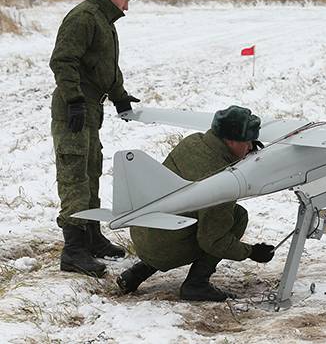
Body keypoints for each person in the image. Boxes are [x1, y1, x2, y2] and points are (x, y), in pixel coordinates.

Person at [116, 105, 275, 302]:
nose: (251, 146)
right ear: (231, 140)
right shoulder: (221, 178)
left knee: (183, 212)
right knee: (238, 216)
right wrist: (250, 252)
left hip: (143, 232)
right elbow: (213, 241)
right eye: (247, 141)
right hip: (164, 247)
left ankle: (136, 273)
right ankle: (196, 284)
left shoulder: (193, 142)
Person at [50, 0, 141, 277]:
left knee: (90, 171)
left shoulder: (103, 20)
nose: (127, 6)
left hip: (91, 109)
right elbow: (63, 60)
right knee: (74, 174)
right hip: (73, 108)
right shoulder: (84, 17)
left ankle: (91, 237)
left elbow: (104, 69)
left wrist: (120, 96)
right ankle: (73, 251)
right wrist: (74, 99)